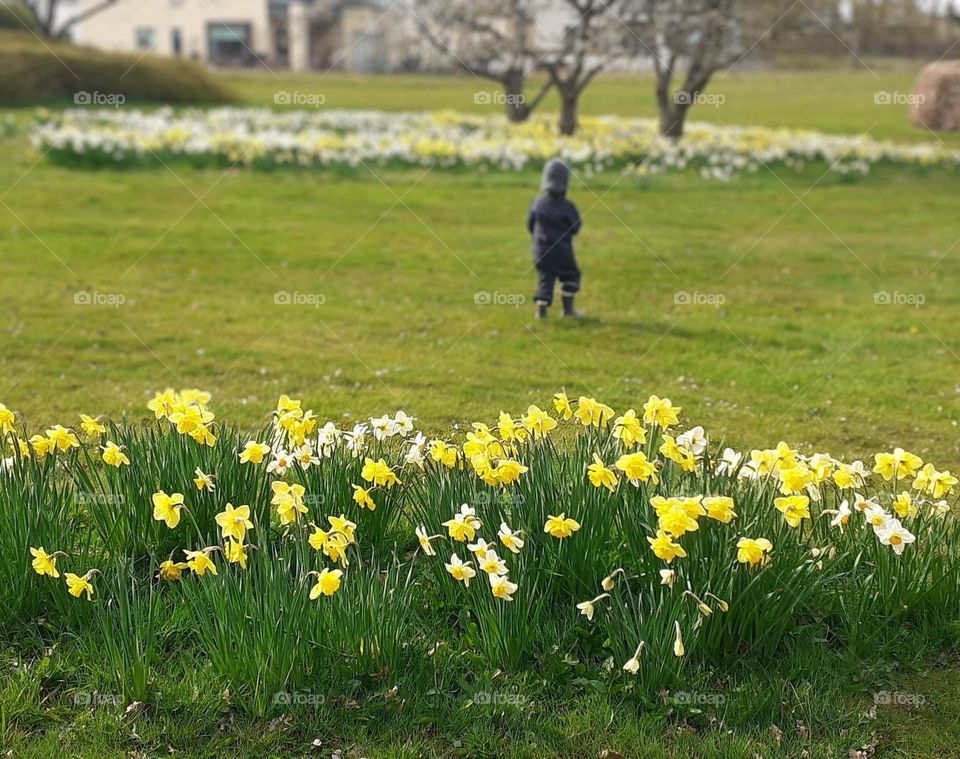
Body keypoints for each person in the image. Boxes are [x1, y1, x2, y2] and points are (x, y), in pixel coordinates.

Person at [527, 159, 583, 319]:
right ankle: (568, 310)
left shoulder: (537, 204)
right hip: (562, 251)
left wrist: (536, 237)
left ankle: (541, 310)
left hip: (541, 251)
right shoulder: (568, 207)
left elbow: (530, 224)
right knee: (571, 275)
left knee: (546, 278)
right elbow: (576, 227)